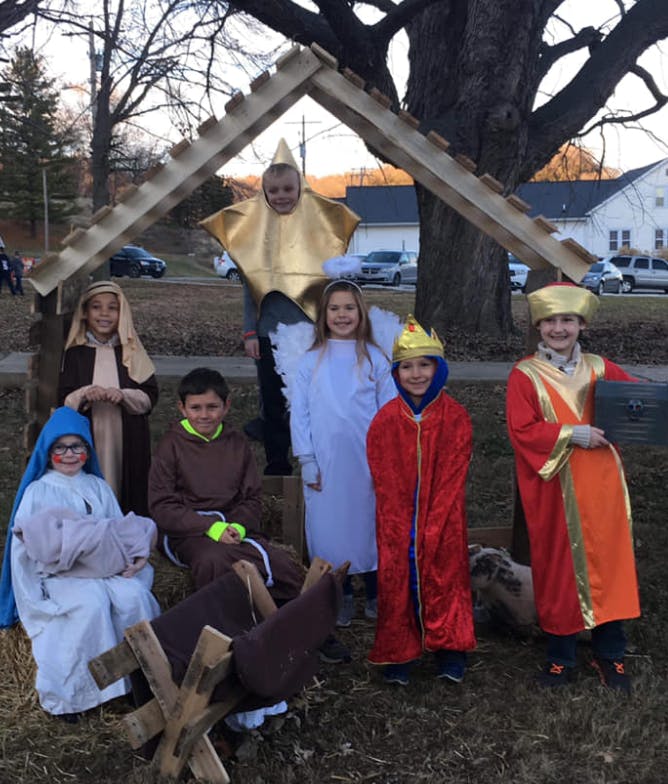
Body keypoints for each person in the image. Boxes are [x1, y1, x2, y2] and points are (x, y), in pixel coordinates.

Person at [506, 282, 640, 692]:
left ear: (581, 323)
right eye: (550, 321)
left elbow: (636, 401)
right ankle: (560, 655)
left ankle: (610, 653)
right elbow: (521, 429)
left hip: (603, 487)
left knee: (610, 565)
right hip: (557, 490)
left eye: (567, 320)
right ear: (539, 326)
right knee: (561, 569)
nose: (558, 329)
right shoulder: (524, 375)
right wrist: (571, 434)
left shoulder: (601, 368)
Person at [200, 140, 359, 476]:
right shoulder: (258, 237)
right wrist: (250, 332)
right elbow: (250, 289)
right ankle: (277, 459)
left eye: (288, 188)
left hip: (314, 332)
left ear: (301, 188)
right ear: (265, 194)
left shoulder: (319, 229)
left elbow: (333, 282)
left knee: (316, 395)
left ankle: (318, 452)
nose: (282, 195)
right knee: (272, 398)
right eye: (274, 190)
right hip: (270, 334)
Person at [0, 407, 160, 720]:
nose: (70, 454)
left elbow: (116, 527)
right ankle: (78, 695)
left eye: (78, 447)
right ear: (48, 452)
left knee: (134, 599)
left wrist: (127, 555)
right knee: (91, 606)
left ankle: (141, 682)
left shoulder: (97, 487)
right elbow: (25, 547)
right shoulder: (38, 491)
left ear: (88, 450)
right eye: (61, 448)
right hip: (61, 575)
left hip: (104, 569)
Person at [366, 316, 476, 686]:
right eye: (407, 367)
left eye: (424, 365)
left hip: (442, 518)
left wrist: (434, 522)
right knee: (399, 581)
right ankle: (401, 650)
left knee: (446, 577)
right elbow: (383, 479)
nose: (416, 374)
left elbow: (453, 474)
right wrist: (400, 523)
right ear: (397, 373)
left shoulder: (456, 418)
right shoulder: (384, 422)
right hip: (398, 521)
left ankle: (451, 649)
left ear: (438, 368)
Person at [148, 367, 304, 605]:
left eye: (212, 407)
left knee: (284, 564)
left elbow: (252, 497)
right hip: (190, 531)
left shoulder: (237, 443)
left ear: (226, 405)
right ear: (182, 408)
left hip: (234, 526)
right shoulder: (170, 446)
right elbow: (162, 506)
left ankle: (288, 626)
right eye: (195, 408)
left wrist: (238, 527)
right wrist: (211, 528)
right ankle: (227, 628)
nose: (204, 415)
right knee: (213, 560)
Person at [290, 279, 396, 627]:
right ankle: (341, 592)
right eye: (334, 308)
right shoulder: (310, 362)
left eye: (349, 307)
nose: (342, 314)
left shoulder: (374, 358)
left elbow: (389, 411)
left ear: (360, 312)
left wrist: (388, 460)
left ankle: (375, 590)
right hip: (325, 462)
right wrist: (306, 459)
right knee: (331, 528)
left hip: (366, 461)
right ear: (323, 315)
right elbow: (300, 412)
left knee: (368, 524)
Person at [59, 280, 158, 515]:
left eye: (112, 307)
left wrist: (123, 395)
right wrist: (85, 394)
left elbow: (149, 397)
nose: (104, 313)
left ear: (122, 313)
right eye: (96, 307)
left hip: (127, 436)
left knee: (124, 481)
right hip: (89, 433)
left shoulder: (132, 352)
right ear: (85, 313)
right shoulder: (75, 355)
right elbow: (63, 399)